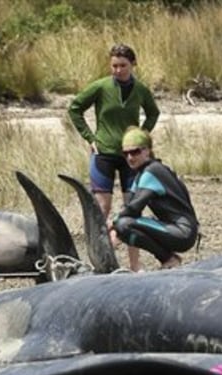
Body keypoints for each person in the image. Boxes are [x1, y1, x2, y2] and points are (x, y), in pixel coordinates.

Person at [68, 44, 160, 271]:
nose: (118, 70)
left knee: (133, 209)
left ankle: (134, 267)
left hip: (131, 156)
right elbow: (75, 108)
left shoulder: (141, 90)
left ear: (133, 65)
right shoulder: (100, 87)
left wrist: (142, 138)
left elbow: (153, 113)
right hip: (104, 154)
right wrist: (90, 137)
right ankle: (97, 263)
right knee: (101, 209)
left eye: (123, 66)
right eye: (114, 66)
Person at [109, 127, 199, 269]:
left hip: (182, 232)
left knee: (124, 225)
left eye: (135, 152)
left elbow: (134, 208)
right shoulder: (141, 174)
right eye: (125, 153)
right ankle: (168, 258)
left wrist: (115, 227)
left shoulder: (152, 171)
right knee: (123, 225)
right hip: (175, 229)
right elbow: (128, 205)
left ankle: (169, 259)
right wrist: (115, 226)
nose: (130, 158)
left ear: (147, 151)